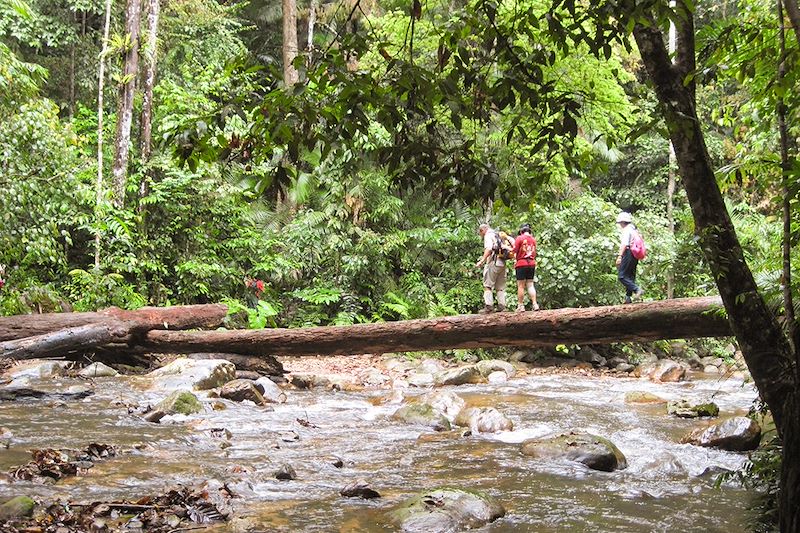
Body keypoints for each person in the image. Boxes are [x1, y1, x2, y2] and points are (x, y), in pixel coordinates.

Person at [475, 223, 508, 313]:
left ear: (482, 230)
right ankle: (502, 306)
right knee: (500, 286)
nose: (481, 235)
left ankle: (489, 306)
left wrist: (482, 261)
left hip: (493, 262)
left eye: (480, 233)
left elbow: (489, 249)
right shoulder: (498, 234)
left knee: (487, 285)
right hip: (502, 262)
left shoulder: (488, 235)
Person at [615, 212, 644, 304]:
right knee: (630, 276)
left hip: (628, 252)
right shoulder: (634, 230)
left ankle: (637, 289)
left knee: (622, 276)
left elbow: (624, 244)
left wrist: (620, 256)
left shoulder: (627, 230)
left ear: (623, 222)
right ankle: (628, 298)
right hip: (634, 254)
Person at [512, 223, 539, 312]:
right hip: (531, 263)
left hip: (521, 263)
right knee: (530, 284)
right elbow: (534, 253)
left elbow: (514, 250)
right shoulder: (533, 240)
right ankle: (535, 304)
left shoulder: (519, 238)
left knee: (521, 286)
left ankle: (520, 305)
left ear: (521, 231)